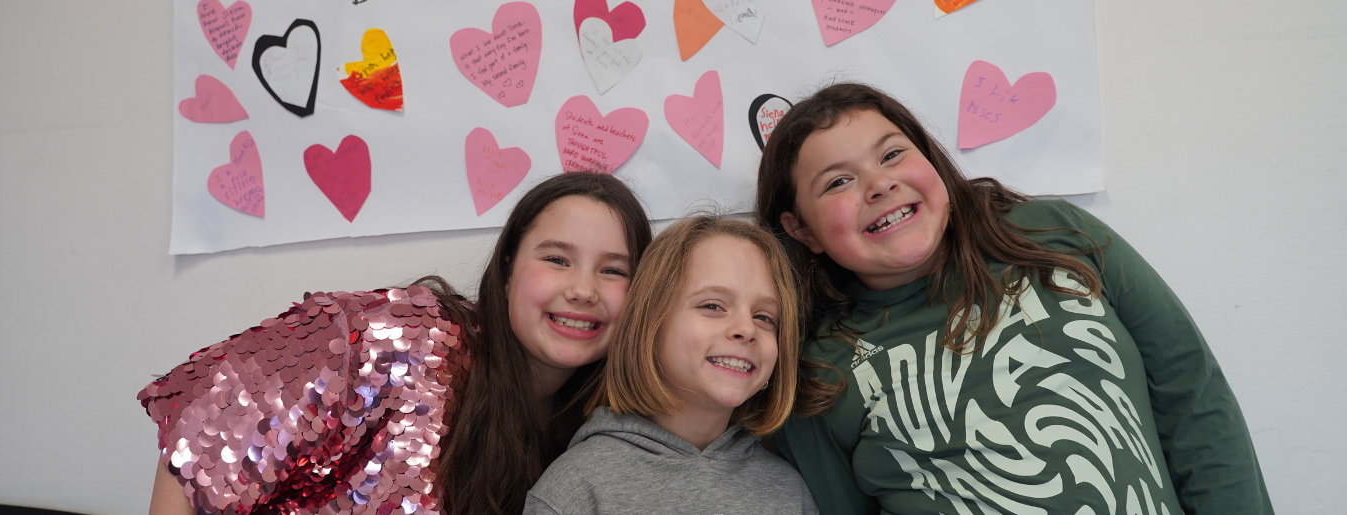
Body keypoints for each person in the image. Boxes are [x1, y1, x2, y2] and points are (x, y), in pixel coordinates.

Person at [754, 83, 1273, 514]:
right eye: (838, 181)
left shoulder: (1052, 233)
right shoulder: (818, 370)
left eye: (891, 154)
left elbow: (1193, 394)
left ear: (930, 161)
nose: (879, 184)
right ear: (803, 231)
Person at [142, 172, 653, 515]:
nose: (583, 290)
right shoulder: (408, 338)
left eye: (614, 271)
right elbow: (209, 425)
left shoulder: (607, 430)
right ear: (505, 271)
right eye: (557, 259)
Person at [524, 216, 820, 515]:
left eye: (764, 317)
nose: (746, 328)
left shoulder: (790, 492)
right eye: (713, 306)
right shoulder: (574, 489)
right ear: (651, 324)